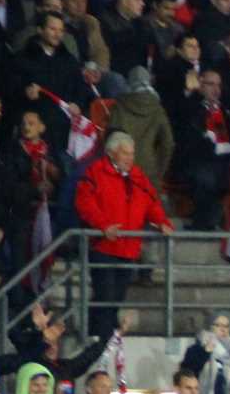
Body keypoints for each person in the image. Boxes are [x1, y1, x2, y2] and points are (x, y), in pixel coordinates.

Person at [71, 132, 171, 335]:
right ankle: (101, 338)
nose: (130, 158)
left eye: (132, 154)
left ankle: (101, 337)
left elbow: (151, 202)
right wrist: (103, 225)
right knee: (105, 297)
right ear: (111, 153)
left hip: (129, 248)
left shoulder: (138, 176)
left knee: (116, 299)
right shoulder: (95, 172)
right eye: (125, 153)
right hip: (104, 246)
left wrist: (162, 222)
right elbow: (85, 203)